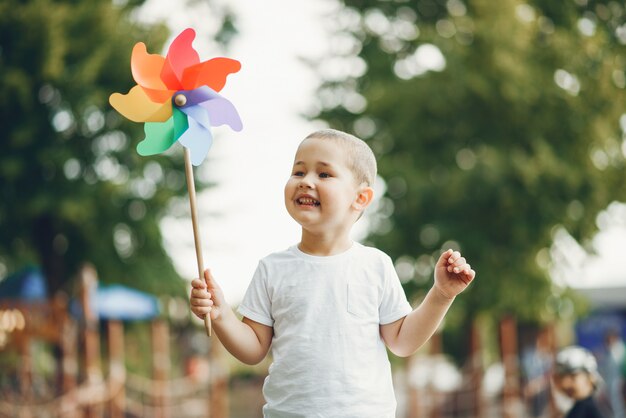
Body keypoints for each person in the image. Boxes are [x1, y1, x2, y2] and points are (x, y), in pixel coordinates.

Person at [190, 129, 476, 417]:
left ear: (361, 198)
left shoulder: (375, 265)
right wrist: (222, 314)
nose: (306, 182)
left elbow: (402, 341)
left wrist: (441, 295)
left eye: (324, 175)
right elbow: (253, 349)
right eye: (298, 172)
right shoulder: (272, 268)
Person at [553, 345, 606, 418]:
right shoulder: (579, 408)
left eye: (573, 376)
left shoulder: (593, 409)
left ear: (589, 377)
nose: (565, 384)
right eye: (563, 378)